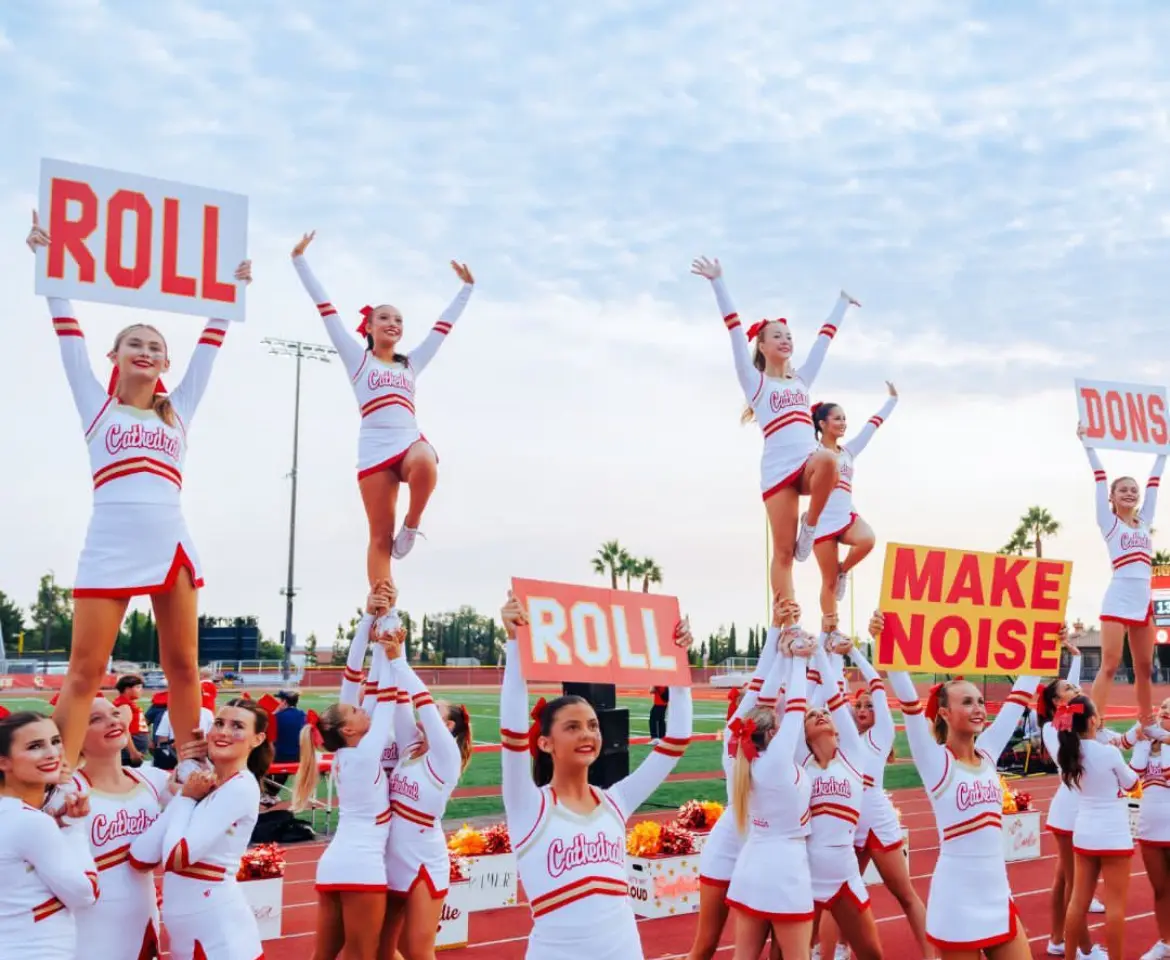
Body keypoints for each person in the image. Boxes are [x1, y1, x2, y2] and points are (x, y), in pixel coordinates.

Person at [26, 212, 251, 787]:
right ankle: (60, 779)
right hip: (111, 541)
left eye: (154, 346)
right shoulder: (97, 408)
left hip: (171, 540)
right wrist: (48, 266)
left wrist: (232, 291)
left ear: (165, 362)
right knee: (85, 670)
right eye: (134, 344)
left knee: (182, 668)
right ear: (115, 356)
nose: (145, 352)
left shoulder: (179, 410)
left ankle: (193, 763)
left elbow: (210, 349)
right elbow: (66, 335)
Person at [498, 591, 693, 959]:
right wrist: (513, 643)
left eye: (592, 725)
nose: (587, 735)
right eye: (572, 727)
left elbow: (677, 739)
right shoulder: (529, 805)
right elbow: (510, 733)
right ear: (544, 743)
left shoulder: (615, 801)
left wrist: (679, 667)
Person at [291, 232, 475, 581]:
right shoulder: (358, 361)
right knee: (378, 538)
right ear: (370, 327)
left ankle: (413, 523)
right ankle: (382, 612)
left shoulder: (411, 364)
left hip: (407, 442)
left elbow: (442, 328)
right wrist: (299, 260)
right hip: (374, 449)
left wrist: (466, 289)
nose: (393, 323)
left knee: (426, 459)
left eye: (399, 320)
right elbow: (325, 309)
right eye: (385, 318)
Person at [691, 255, 858, 600]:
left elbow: (823, 343)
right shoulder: (755, 383)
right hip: (778, 471)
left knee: (829, 460)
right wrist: (718, 281)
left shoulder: (801, 381)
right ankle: (787, 622)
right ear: (762, 346)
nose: (785, 340)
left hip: (808, 466)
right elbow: (735, 330)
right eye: (776, 336)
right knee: (783, 554)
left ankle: (809, 526)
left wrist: (841, 304)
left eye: (788, 336)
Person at [882, 611, 1040, 959]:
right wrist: (888, 644)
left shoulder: (987, 753)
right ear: (943, 713)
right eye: (966, 702)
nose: (979, 708)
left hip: (997, 892)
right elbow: (909, 705)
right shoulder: (936, 761)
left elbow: (1018, 700)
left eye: (980, 701)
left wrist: (1046, 645)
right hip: (957, 898)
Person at [292, 585, 397, 960]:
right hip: (361, 865)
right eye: (355, 711)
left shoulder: (346, 753)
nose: (361, 707)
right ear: (349, 729)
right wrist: (390, 640)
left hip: (336, 862)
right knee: (362, 955)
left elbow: (356, 678)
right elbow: (385, 694)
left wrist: (370, 619)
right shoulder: (364, 754)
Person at [687, 598, 790, 960]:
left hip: (762, 855)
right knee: (713, 945)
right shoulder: (750, 745)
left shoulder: (754, 745)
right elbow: (766, 685)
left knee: (715, 947)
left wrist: (780, 633)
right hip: (732, 848)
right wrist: (787, 647)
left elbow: (768, 685)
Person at [129, 699, 271, 960]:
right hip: (187, 932)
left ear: (257, 739)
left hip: (219, 932)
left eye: (237, 726)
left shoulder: (240, 787)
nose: (224, 732)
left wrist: (184, 798)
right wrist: (188, 789)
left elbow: (176, 858)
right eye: (219, 723)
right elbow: (140, 857)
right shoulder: (205, 785)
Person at [821, 618, 928, 960]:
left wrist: (854, 649)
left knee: (905, 893)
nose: (865, 709)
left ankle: (932, 955)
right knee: (835, 895)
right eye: (860, 706)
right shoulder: (842, 740)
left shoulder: (882, 737)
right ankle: (835, 951)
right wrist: (829, 654)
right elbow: (829, 696)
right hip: (847, 817)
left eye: (870, 706)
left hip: (877, 816)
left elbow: (878, 685)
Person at [380, 626, 474, 958]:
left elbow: (418, 698)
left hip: (422, 857)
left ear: (447, 727)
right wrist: (397, 648)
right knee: (380, 948)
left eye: (437, 710)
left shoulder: (444, 757)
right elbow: (403, 702)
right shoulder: (411, 748)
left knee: (418, 950)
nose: (429, 711)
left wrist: (400, 663)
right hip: (390, 853)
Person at [723, 623, 813, 960]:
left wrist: (781, 656)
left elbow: (747, 711)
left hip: (750, 868)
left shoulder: (734, 757)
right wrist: (798, 659)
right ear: (773, 733)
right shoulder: (774, 762)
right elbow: (796, 708)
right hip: (786, 871)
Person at [797, 638, 883, 960]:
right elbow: (799, 705)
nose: (820, 715)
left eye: (825, 713)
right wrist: (800, 659)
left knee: (872, 953)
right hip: (804, 872)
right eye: (811, 715)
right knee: (787, 954)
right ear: (803, 734)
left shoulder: (853, 757)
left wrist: (823, 652)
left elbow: (833, 697)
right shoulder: (799, 763)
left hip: (845, 873)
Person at [71, 696, 173, 959]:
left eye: (115, 713)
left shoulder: (152, 779)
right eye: (96, 719)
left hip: (145, 916)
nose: (112, 721)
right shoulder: (69, 792)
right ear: (75, 737)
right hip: (90, 927)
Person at [1079, 423, 1166, 724]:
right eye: (1123, 490)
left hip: (1143, 601)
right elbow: (1099, 478)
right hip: (1118, 598)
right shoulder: (1109, 522)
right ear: (1112, 498)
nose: (1129, 493)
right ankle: (1093, 723)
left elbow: (1155, 481)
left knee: (1144, 667)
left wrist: (1162, 451)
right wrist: (1088, 445)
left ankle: (1147, 722)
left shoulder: (1144, 522)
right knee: (1110, 664)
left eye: (1133, 490)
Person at [1036, 627, 1110, 957]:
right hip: (1071, 812)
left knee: (1064, 882)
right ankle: (1084, 949)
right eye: (1068, 688)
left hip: (1073, 809)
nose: (1075, 688)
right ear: (1057, 701)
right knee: (1074, 886)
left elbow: (1075, 675)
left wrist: (1070, 649)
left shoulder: (1067, 720)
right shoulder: (1056, 728)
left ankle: (1056, 940)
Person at [0, 711, 99, 959]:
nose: (53, 753)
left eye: (55, 741)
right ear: (3, 762)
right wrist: (74, 827)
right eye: (35, 746)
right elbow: (85, 894)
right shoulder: (31, 823)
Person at [1056, 694, 1136, 960]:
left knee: (1078, 901)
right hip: (1113, 835)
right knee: (1115, 908)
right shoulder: (1109, 752)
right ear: (1092, 720)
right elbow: (1131, 783)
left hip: (1084, 834)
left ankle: (1070, 956)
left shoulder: (1067, 755)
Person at [810, 384, 897, 619]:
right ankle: (830, 631)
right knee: (827, 584)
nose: (843, 423)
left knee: (867, 540)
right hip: (822, 522)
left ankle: (843, 571)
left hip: (846, 515)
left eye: (844, 419)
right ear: (822, 424)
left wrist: (892, 401)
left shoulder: (848, 452)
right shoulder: (812, 452)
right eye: (837, 419)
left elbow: (872, 427)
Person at [1132, 696, 1170, 960]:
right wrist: (1144, 741)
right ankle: (1166, 942)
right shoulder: (1146, 742)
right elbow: (1134, 772)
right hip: (1149, 827)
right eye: (1164, 707)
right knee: (1160, 889)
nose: (1165, 711)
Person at [112, 674, 149, 767]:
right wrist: (133, 752)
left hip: (132, 751)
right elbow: (124, 730)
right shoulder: (124, 706)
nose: (141, 691)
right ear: (128, 689)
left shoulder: (128, 704)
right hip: (128, 755)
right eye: (138, 687)